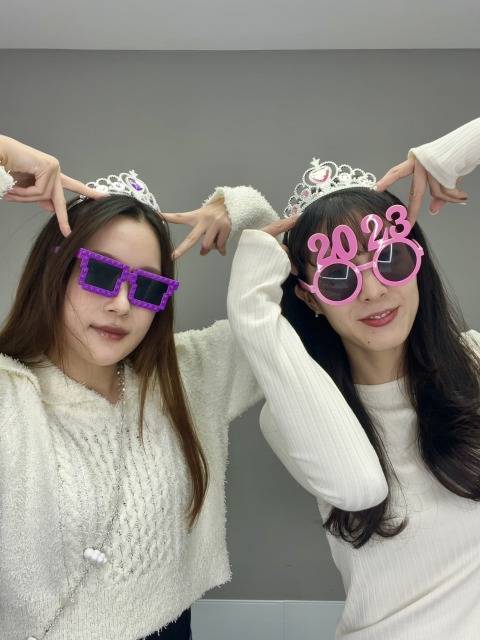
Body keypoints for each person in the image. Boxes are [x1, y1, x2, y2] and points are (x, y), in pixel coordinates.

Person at [0, 137, 280, 639]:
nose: (123, 305)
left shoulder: (187, 377)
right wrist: (4, 157)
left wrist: (239, 208)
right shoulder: (10, 394)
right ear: (54, 271)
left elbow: (289, 306)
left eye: (149, 287)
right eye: (101, 273)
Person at [226, 118, 480, 638]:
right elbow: (359, 486)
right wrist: (250, 308)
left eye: (391, 259)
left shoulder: (476, 359)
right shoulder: (291, 414)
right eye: (339, 277)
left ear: (417, 262)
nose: (372, 291)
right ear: (311, 299)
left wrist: (457, 151)